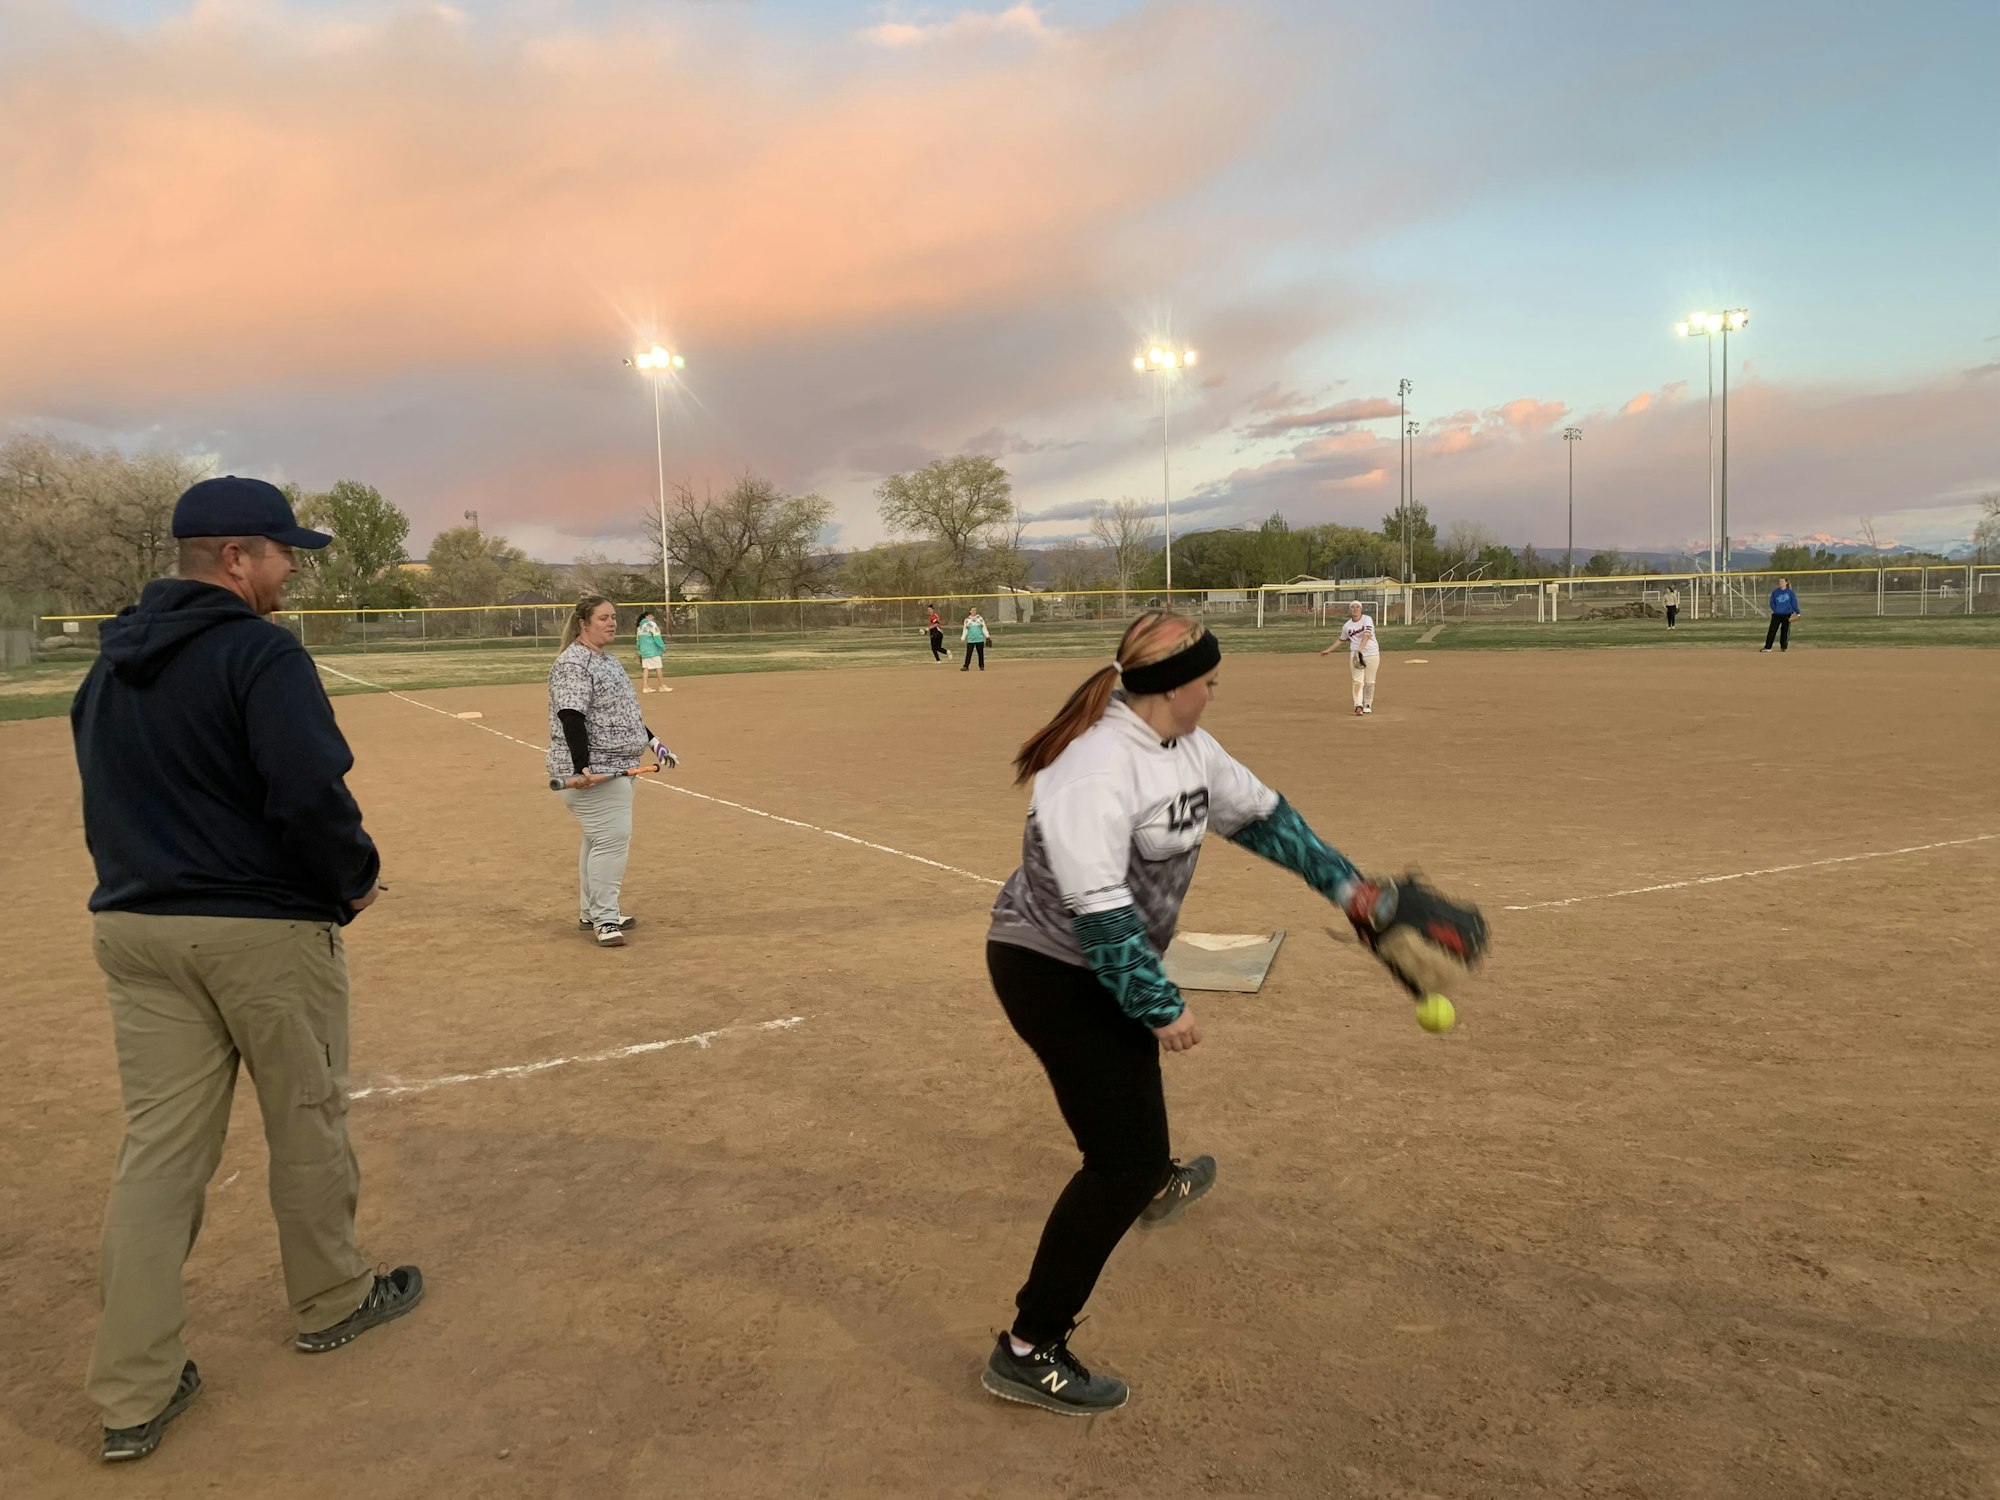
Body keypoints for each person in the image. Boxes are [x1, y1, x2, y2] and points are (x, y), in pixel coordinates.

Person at [68, 476, 422, 1464]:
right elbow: (307, 790)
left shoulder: (109, 666)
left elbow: (105, 800)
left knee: (158, 1158)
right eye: (280, 554)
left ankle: (132, 1392)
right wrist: (351, 879)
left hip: (136, 928)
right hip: (257, 931)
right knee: (304, 1117)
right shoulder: (259, 650)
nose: (288, 571)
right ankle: (332, 1300)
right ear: (234, 559)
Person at [981, 611, 1403, 1415]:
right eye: (1208, 680)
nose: (1214, 691)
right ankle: (1029, 1348)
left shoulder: (1186, 747)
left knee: (1130, 1125)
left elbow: (1266, 819)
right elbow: (1097, 910)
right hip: (1052, 969)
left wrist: (1352, 890)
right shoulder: (1094, 767)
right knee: (1119, 1161)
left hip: (1102, 961)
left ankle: (1152, 1176)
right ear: (1173, 688)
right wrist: (1157, 1003)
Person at [549, 596, 678, 947]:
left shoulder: (607, 660)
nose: (611, 623)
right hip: (596, 770)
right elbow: (570, 715)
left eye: (614, 618)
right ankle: (605, 920)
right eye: (603, 618)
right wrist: (582, 766)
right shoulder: (573, 663)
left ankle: (592, 911)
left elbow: (625, 715)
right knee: (611, 839)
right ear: (583, 623)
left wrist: (655, 742)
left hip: (622, 766)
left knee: (598, 839)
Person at [1317, 600, 1379, 715]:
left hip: (1371, 654)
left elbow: (1366, 635)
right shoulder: (1347, 626)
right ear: (1350, 610)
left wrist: (1360, 650)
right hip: (1355, 655)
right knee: (1357, 681)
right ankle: (1358, 705)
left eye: (1357, 607)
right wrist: (1328, 650)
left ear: (1361, 609)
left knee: (1370, 682)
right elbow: (1342, 640)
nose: (1355, 609)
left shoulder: (1367, 619)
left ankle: (1367, 704)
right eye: (1353, 607)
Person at [634, 608, 671, 693]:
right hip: (652, 650)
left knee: (646, 668)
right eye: (651, 615)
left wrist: (639, 650)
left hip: (644, 651)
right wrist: (662, 646)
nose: (653, 617)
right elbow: (657, 637)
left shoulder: (639, 626)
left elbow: (638, 640)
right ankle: (662, 686)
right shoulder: (651, 624)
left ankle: (645, 687)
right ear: (647, 616)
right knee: (658, 667)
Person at [1763, 577, 1801, 652]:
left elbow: (1794, 603)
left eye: (1782, 581)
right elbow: (1772, 603)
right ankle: (1768, 647)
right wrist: (1776, 609)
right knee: (1772, 630)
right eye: (1779, 581)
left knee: (1785, 631)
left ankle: (1783, 647)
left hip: (1787, 614)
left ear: (1786, 583)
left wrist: (1797, 612)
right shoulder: (1775, 592)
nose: (1780, 583)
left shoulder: (1790, 592)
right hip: (1777, 614)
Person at [961, 607, 990, 672]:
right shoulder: (967, 620)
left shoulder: (980, 619)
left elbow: (984, 627)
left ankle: (981, 666)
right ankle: (966, 666)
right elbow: (965, 629)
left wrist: (987, 635)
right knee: (969, 653)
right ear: (970, 611)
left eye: (975, 610)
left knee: (980, 653)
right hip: (970, 639)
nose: (974, 611)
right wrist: (963, 637)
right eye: (972, 610)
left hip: (979, 639)